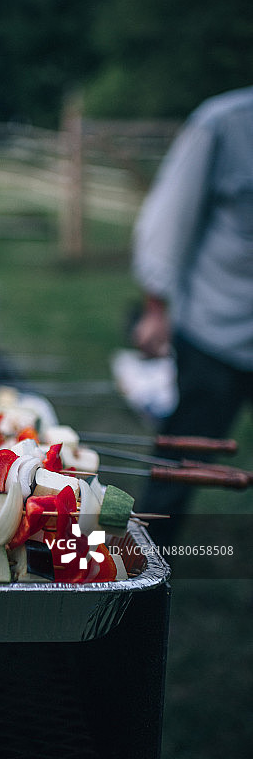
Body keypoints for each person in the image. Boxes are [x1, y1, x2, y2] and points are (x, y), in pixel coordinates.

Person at [131, 85, 253, 547]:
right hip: (213, 333)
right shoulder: (222, 123)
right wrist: (156, 310)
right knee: (179, 466)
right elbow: (169, 217)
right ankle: (148, 569)